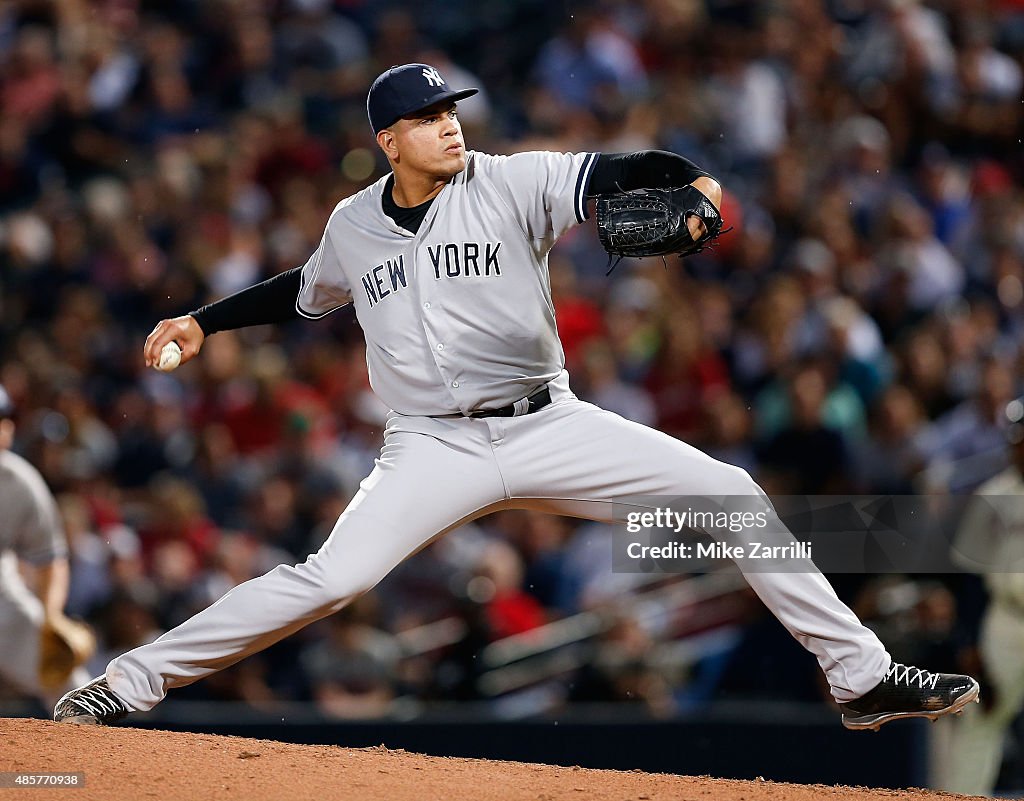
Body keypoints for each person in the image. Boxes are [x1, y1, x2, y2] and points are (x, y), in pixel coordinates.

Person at [54, 62, 978, 729]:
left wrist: (694, 181)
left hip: (549, 420)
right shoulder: (351, 224)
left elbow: (625, 170)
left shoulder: (510, 180)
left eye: (452, 109)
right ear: (389, 142)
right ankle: (126, 683)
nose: (450, 124)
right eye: (428, 117)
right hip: (431, 447)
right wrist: (204, 324)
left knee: (730, 494)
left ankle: (858, 676)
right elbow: (300, 291)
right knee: (331, 579)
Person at [937, 398, 1024, 794]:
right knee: (980, 717)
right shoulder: (994, 494)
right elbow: (970, 577)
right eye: (1017, 440)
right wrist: (969, 641)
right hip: (1006, 621)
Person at [0, 384, 92, 707]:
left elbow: (51, 559)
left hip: (2, 595)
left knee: (73, 689)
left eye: (6, 418)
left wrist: (51, 614)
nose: (4, 426)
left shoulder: (20, 482)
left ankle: (104, 755)